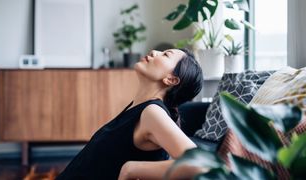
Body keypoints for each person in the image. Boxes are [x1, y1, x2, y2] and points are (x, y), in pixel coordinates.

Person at [56, 48, 204, 180]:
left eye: (165, 55)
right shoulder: (139, 108)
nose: (154, 52)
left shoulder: (152, 113)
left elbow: (201, 164)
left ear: (171, 79)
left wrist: (132, 169)